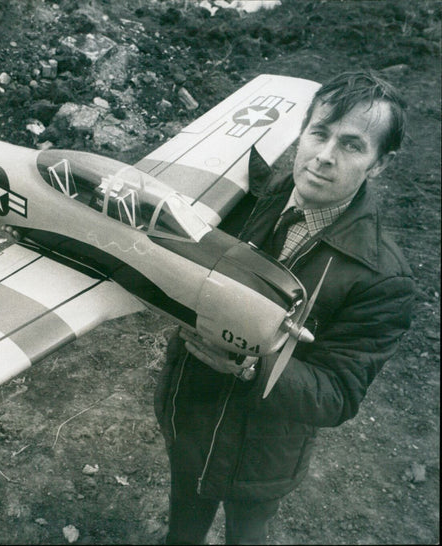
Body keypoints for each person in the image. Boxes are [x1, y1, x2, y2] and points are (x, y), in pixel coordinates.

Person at [154, 70, 415, 544]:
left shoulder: (383, 279)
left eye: (353, 145)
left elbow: (338, 393)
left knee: (247, 534)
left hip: (263, 455)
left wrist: (253, 364)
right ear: (302, 132)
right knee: (182, 528)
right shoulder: (240, 195)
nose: (324, 156)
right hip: (188, 413)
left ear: (379, 164)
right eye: (319, 133)